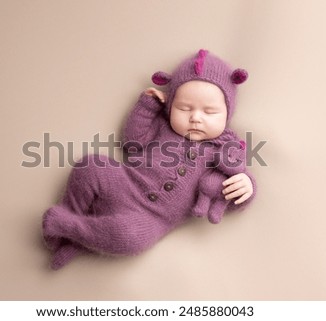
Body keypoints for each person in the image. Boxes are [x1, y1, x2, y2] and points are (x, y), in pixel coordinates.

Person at [42, 49, 256, 269]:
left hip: (151, 217)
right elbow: (132, 142)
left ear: (227, 114)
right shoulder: (163, 127)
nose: (195, 118)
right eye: (184, 108)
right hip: (124, 182)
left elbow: (227, 189)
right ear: (170, 105)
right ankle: (69, 216)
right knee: (90, 165)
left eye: (209, 112)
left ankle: (72, 230)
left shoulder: (226, 150)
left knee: (129, 238)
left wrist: (247, 186)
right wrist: (147, 107)